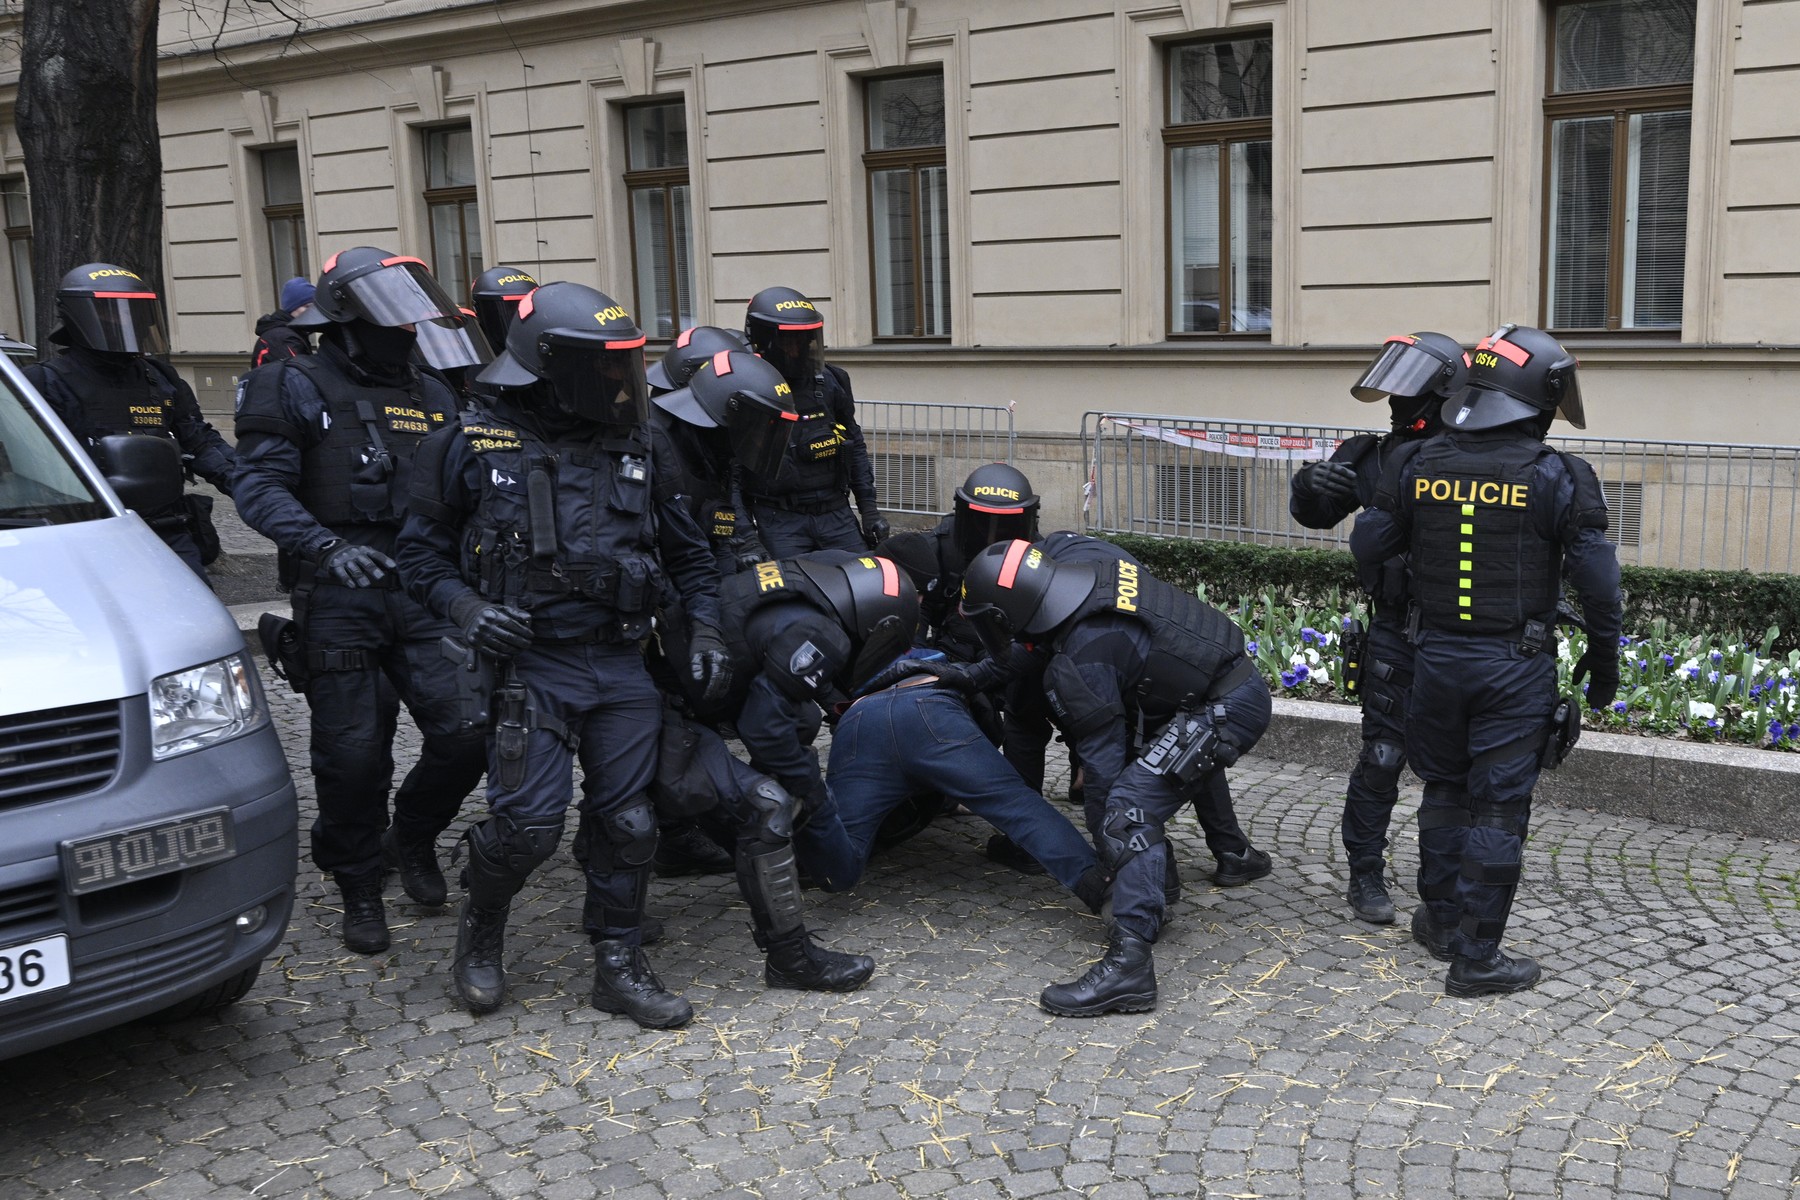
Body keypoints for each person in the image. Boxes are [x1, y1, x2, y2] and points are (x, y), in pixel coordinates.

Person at [397, 281, 736, 1028]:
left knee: (630, 824)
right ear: (549, 365)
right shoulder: (466, 443)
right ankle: (481, 931)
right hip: (530, 666)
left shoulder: (644, 442)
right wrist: (469, 609)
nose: (621, 381)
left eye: (626, 364)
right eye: (605, 365)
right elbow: (418, 559)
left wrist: (707, 630)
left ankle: (619, 966)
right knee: (527, 829)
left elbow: (692, 557)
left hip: (620, 661)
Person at [1350, 323, 1622, 997]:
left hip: (1434, 659)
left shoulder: (1417, 463)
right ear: (1539, 398)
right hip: (1513, 667)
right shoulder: (1560, 476)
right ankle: (1477, 958)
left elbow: (1368, 545)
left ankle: (1442, 922)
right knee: (1498, 808)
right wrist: (1604, 657)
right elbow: (1599, 585)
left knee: (1443, 790)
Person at [234, 246, 489, 953]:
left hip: (423, 588)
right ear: (347, 317)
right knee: (352, 755)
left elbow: (463, 494)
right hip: (340, 592)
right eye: (395, 316)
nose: (409, 328)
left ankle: (411, 836)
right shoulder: (291, 384)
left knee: (467, 733)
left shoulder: (434, 392)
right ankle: (358, 881)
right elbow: (258, 486)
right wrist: (324, 547)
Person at [959, 538, 1272, 1017]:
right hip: (1213, 686)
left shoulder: (1084, 656)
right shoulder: (1082, 573)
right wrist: (969, 676)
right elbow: (1032, 648)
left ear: (1004, 615)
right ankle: (1219, 862)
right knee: (1165, 771)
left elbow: (1103, 779)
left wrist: (1110, 862)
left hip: (1224, 707)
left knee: (1128, 808)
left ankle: (1130, 965)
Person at [1288, 331, 1465, 925]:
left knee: (1455, 768)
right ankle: (1365, 872)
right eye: (1394, 390)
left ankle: (1447, 885)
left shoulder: (1480, 456)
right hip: (1395, 630)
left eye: (1408, 391)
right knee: (1384, 756)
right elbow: (1316, 514)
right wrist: (1308, 486)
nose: (1396, 403)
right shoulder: (1373, 456)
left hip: (1462, 639)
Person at [796, 665, 1110, 918]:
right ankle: (1106, 894)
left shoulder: (878, 670)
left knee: (837, 871)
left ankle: (807, 795)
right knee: (1021, 808)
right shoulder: (961, 673)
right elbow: (991, 730)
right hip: (933, 706)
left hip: (859, 717)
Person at [27, 263, 236, 582]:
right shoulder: (44, 383)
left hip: (168, 531)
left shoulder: (161, 378)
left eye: (135, 312)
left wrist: (249, 483)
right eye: (113, 312)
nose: (127, 322)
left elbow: (201, 442)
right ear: (79, 316)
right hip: (89, 535)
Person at [736, 287, 886, 557]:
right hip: (780, 519)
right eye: (788, 341)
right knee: (791, 583)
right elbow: (732, 472)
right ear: (764, 341)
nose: (797, 349)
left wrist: (869, 509)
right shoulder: (745, 390)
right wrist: (747, 537)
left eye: (804, 340)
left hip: (835, 513)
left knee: (864, 576)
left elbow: (854, 446)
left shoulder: (831, 382)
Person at [880, 463, 1041, 663]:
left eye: (1004, 522)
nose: (992, 532)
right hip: (951, 647)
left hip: (1009, 653)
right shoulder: (944, 545)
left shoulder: (1037, 557)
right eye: (984, 519)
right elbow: (921, 603)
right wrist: (915, 655)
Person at [250, 276, 317, 367]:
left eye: (314, 307)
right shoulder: (283, 337)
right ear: (292, 307)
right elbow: (299, 371)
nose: (312, 311)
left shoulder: (289, 332)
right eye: (307, 306)